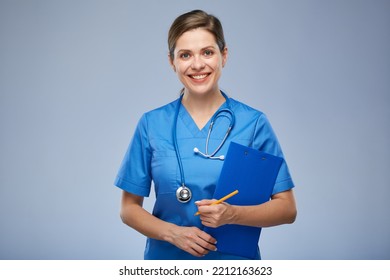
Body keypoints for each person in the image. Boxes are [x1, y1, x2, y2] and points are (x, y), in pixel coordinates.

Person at [114, 10, 297, 260]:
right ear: (172, 62)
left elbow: (287, 209)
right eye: (185, 55)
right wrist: (173, 233)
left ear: (224, 55)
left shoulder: (253, 123)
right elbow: (128, 209)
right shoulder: (152, 124)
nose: (197, 64)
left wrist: (233, 215)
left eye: (207, 52)